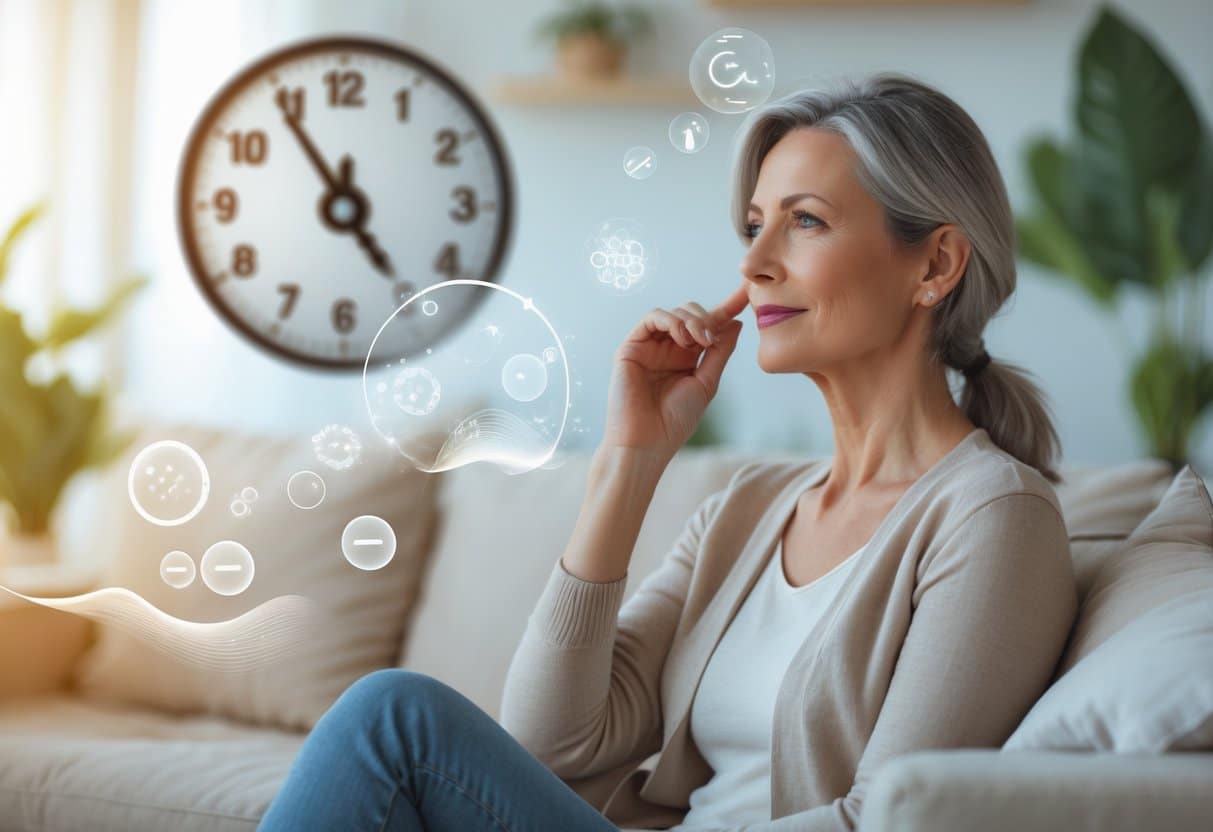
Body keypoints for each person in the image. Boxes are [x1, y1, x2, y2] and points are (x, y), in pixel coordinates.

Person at [258, 71, 1077, 832]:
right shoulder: (750, 510)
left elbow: (892, 819)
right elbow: (551, 747)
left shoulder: (994, 518)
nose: (754, 264)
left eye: (805, 222)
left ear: (933, 263)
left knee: (394, 722)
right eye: (755, 226)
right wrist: (631, 460)